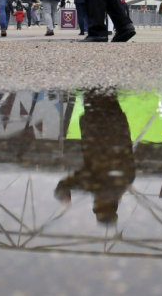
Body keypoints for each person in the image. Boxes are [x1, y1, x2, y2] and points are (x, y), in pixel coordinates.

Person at [54, 89, 135, 225]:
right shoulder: (98, 185)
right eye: (97, 205)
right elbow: (64, 186)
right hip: (96, 127)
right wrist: (63, 196)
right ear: (104, 204)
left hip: (116, 124)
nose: (95, 202)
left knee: (106, 91)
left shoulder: (127, 181)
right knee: (94, 91)